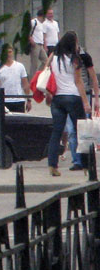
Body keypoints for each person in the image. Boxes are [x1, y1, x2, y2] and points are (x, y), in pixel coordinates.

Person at [46, 30, 87, 177]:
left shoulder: (54, 57)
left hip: (57, 98)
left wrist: (48, 94)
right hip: (73, 97)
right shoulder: (75, 60)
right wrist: (85, 102)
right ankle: (86, 164)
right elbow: (78, 82)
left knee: (56, 132)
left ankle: (52, 165)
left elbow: (46, 71)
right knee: (81, 131)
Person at [63, 43, 100, 170]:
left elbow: (93, 77)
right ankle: (77, 160)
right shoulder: (65, 57)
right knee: (72, 130)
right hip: (70, 95)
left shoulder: (84, 56)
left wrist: (96, 98)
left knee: (83, 129)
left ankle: (85, 159)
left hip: (84, 94)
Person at [0, 43, 31, 113]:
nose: (8, 54)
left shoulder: (20, 66)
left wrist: (29, 100)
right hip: (4, 101)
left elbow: (25, 84)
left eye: (10, 52)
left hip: (19, 101)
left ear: (13, 52)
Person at [30, 10, 47, 75]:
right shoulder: (34, 22)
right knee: (34, 64)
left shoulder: (42, 24)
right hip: (35, 44)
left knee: (46, 61)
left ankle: (38, 74)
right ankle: (32, 79)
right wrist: (31, 40)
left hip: (40, 44)